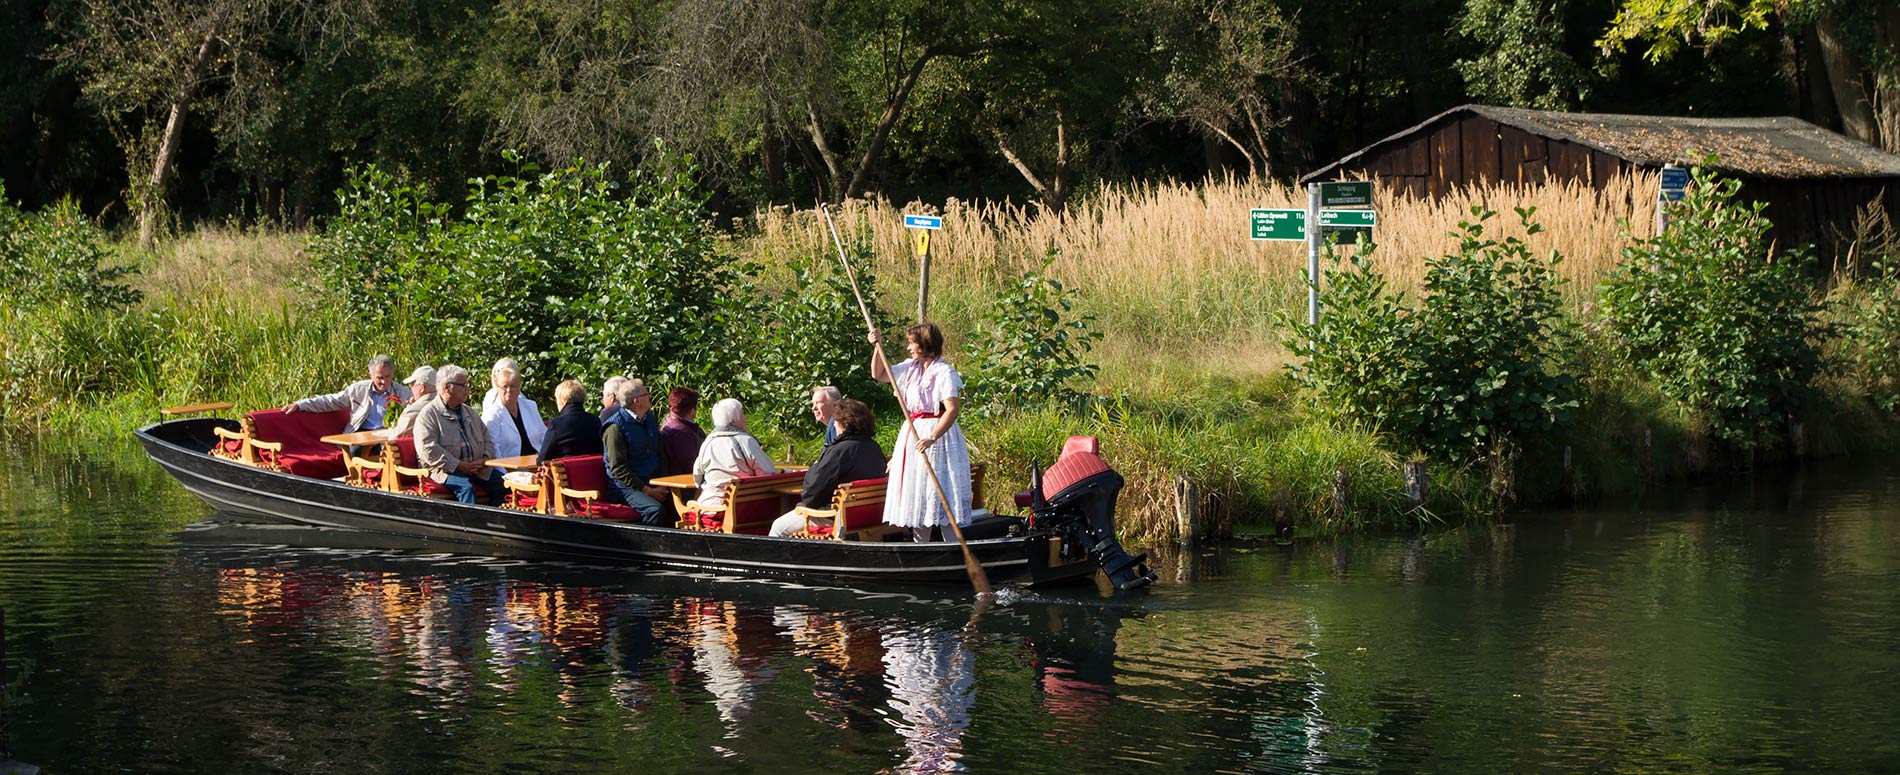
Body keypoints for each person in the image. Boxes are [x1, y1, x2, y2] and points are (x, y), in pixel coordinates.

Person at [869, 323, 973, 542]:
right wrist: (877, 347)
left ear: (925, 345)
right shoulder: (910, 368)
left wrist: (932, 436)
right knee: (917, 490)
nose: (909, 348)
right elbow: (878, 373)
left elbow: (952, 409)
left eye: (912, 343)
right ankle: (920, 546)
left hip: (938, 437)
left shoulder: (944, 372)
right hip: (912, 433)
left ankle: (954, 547)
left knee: (941, 490)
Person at [770, 399, 885, 537]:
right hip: (869, 515)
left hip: (835, 517)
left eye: (835, 422)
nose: (834, 426)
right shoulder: (874, 447)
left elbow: (811, 494)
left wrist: (815, 467)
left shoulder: (839, 451)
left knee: (778, 527)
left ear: (843, 423)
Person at [413, 364, 505, 505]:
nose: (467, 388)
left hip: (476, 469)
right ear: (446, 387)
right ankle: (469, 525)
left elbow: (487, 438)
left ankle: (493, 521)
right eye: (463, 385)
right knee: (466, 488)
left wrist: (485, 459)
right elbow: (427, 449)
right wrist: (458, 465)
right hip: (444, 470)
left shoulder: (469, 412)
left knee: (505, 485)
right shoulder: (428, 415)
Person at [282, 353, 412, 433]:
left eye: (387, 377)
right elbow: (331, 401)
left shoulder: (403, 393)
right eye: (379, 378)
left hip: (389, 434)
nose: (383, 382)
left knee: (392, 453)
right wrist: (301, 404)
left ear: (393, 374)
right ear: (371, 375)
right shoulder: (358, 389)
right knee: (354, 452)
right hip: (360, 432)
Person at [602, 378, 668, 526]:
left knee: (680, 503)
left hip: (652, 481)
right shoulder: (615, 428)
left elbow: (660, 455)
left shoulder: (649, 420)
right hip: (624, 488)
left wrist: (663, 484)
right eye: (647, 394)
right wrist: (648, 491)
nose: (650, 396)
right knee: (654, 510)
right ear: (637, 401)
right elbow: (618, 469)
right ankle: (645, 547)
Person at [692, 399, 777, 511]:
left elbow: (697, 478)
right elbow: (768, 473)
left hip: (707, 507)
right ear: (733, 421)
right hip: (742, 508)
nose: (746, 418)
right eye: (742, 414)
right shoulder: (745, 441)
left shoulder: (707, 443)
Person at [482, 366, 547, 460]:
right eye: (505, 387)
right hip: (510, 466)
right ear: (498, 388)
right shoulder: (491, 414)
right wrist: (504, 472)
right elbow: (494, 449)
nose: (508, 390)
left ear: (519, 388)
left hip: (537, 461)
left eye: (512, 386)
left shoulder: (531, 406)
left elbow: (543, 434)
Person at [538, 380, 604, 463]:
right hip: (594, 474)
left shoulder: (556, 424)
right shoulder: (595, 421)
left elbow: (543, 459)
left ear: (563, 401)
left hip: (568, 474)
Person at [659, 386, 707, 477]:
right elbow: (691, 465)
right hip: (685, 484)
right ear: (692, 411)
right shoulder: (682, 432)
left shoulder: (668, 422)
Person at [390, 365, 437, 438]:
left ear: (421, 388)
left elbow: (397, 436)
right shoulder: (448, 403)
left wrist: (410, 406)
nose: (411, 388)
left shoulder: (414, 410)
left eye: (412, 384)